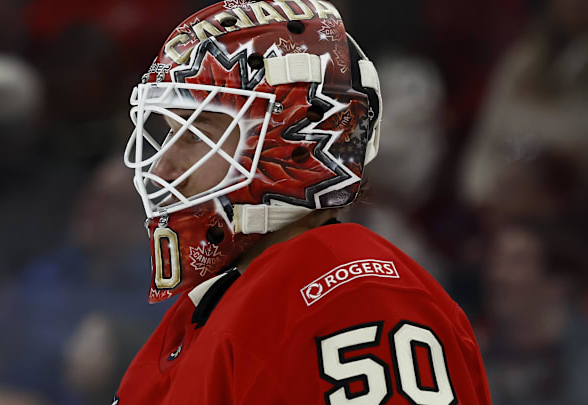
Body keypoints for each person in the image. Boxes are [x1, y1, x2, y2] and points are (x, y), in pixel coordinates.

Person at [117, 1, 491, 404]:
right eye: (169, 133)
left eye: (195, 135)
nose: (163, 168)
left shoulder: (353, 301)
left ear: (294, 142)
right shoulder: (217, 300)